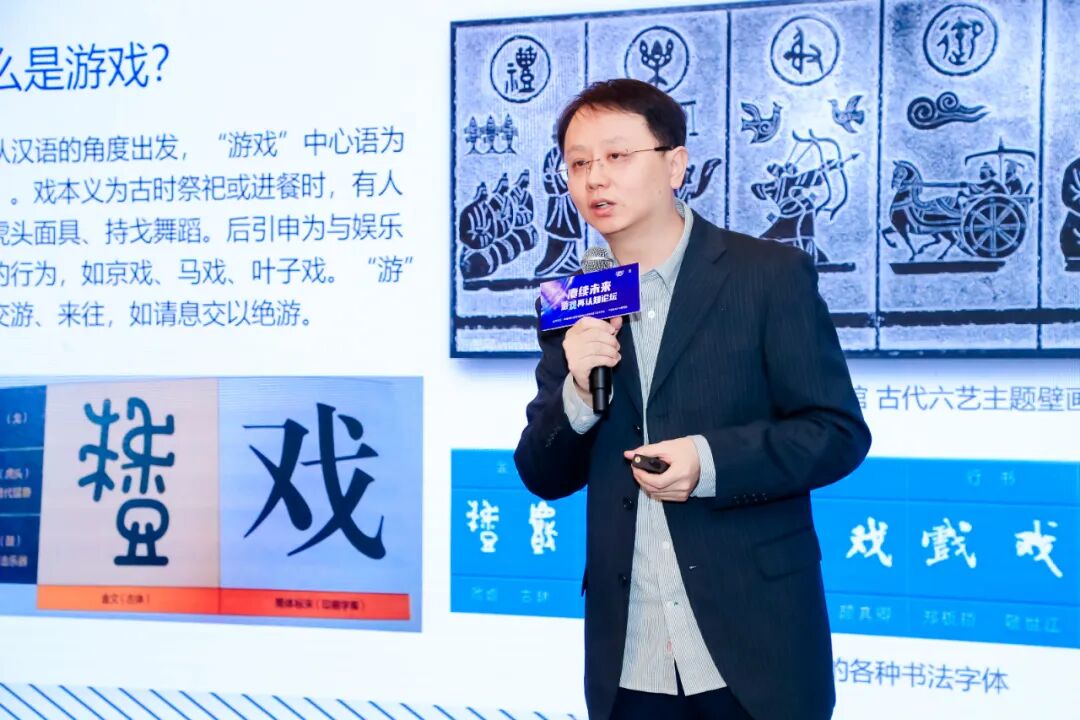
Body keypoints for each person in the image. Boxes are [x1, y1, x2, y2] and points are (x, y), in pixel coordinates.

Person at [513, 78, 871, 720]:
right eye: (578, 163)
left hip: (757, 645)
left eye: (617, 156)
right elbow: (542, 471)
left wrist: (709, 463)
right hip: (631, 655)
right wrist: (578, 392)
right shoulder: (571, 302)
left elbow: (836, 432)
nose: (596, 177)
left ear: (675, 164)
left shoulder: (767, 275)